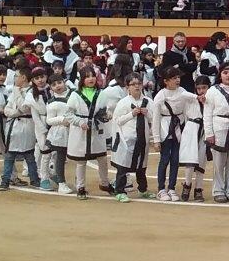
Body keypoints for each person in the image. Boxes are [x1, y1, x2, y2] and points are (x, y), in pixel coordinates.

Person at [150, 65, 200, 202]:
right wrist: (156, 139)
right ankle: (161, 189)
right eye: (173, 78)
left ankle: (171, 188)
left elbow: (187, 108)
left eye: (178, 77)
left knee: (175, 160)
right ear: (166, 81)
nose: (177, 80)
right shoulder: (160, 96)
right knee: (164, 159)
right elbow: (155, 119)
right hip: (165, 130)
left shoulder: (183, 91)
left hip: (179, 130)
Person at [66, 64, 114, 200]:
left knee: (102, 158)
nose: (91, 79)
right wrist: (80, 122)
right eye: (87, 77)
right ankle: (80, 187)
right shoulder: (75, 95)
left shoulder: (102, 93)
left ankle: (104, 183)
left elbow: (105, 110)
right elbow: (68, 114)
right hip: (81, 132)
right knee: (81, 161)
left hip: (96, 130)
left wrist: (107, 115)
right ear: (82, 79)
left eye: (93, 76)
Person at [203, 61, 229, 203]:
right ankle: (218, 190)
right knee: (219, 163)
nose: (228, 75)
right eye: (225, 73)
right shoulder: (213, 91)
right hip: (219, 128)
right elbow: (207, 113)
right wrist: (209, 133)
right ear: (220, 74)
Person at [109, 74, 151, 202]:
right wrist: (131, 114)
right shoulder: (123, 103)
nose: (137, 86)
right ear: (128, 87)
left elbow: (154, 119)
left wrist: (147, 114)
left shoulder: (148, 101)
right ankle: (120, 191)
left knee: (141, 166)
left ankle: (143, 189)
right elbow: (117, 121)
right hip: (127, 140)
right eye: (133, 84)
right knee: (123, 166)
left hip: (143, 138)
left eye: (139, 83)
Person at [0, 67, 40, 191]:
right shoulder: (14, 91)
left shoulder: (32, 92)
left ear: (23, 78)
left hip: (27, 125)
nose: (14, 78)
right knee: (9, 155)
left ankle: (34, 179)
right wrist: (15, 112)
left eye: (16, 76)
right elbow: (7, 109)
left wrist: (15, 111)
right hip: (14, 126)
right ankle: (5, 180)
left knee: (29, 154)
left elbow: (24, 107)